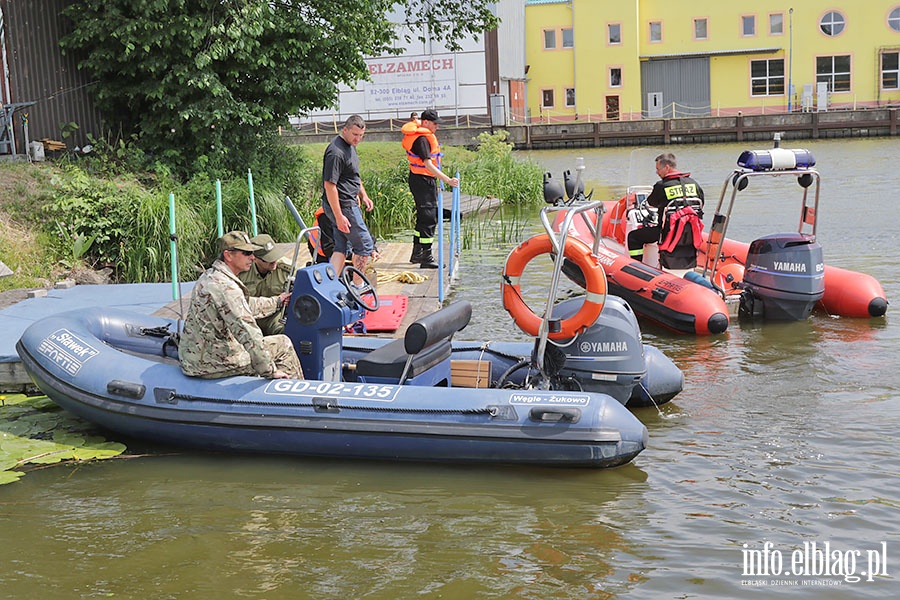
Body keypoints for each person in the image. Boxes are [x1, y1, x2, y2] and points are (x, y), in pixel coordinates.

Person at [179, 231, 303, 380]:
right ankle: (293, 395)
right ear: (228, 255)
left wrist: (277, 301)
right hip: (213, 363)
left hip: (197, 356)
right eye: (246, 253)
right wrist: (269, 370)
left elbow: (245, 304)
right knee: (283, 344)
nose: (252, 257)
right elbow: (247, 331)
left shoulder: (212, 276)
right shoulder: (227, 289)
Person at [401, 108, 459, 269]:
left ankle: (417, 253)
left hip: (422, 179)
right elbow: (427, 164)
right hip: (422, 180)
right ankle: (426, 257)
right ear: (425, 122)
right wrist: (447, 180)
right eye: (434, 124)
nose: (436, 127)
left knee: (423, 217)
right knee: (429, 218)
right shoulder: (422, 140)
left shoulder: (423, 136)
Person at [626, 152, 704, 268]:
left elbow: (651, 202)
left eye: (658, 169)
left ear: (667, 167)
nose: (657, 172)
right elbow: (701, 203)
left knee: (633, 237)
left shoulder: (662, 185)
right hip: (690, 232)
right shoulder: (694, 183)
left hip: (667, 232)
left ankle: (638, 267)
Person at [321, 114, 376, 279]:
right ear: (345, 130)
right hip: (343, 206)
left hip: (349, 203)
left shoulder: (350, 146)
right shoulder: (335, 152)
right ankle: (357, 288)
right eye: (355, 135)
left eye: (361, 136)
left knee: (341, 247)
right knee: (365, 245)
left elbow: (353, 176)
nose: (358, 139)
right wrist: (339, 216)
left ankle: (329, 286)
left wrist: (363, 195)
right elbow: (330, 186)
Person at [237, 233, 293, 335]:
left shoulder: (287, 270)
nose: (274, 261)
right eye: (268, 259)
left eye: (274, 256)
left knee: (286, 332)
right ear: (255, 258)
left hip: (274, 315)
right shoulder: (241, 271)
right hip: (249, 316)